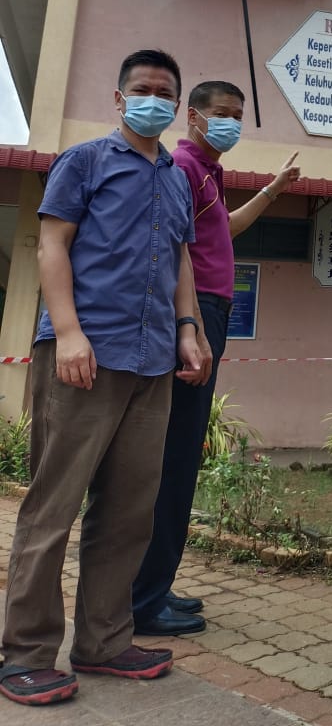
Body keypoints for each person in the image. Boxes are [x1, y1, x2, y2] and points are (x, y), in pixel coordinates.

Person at [0, 50, 207, 708]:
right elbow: (53, 244)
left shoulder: (176, 179)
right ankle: (25, 654)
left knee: (127, 513)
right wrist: (67, 332)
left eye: (164, 92)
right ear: (119, 99)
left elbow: (178, 259)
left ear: (176, 105)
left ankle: (104, 640)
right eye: (141, 89)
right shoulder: (84, 161)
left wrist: (189, 329)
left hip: (152, 361)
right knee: (52, 506)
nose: (153, 99)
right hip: (84, 354)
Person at [133, 81, 301, 635]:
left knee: (182, 454)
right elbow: (174, 247)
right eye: (221, 114)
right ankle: (142, 599)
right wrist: (190, 325)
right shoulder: (181, 165)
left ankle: (155, 586)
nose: (230, 123)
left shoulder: (208, 171)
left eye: (238, 115)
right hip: (195, 311)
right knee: (174, 456)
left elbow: (222, 230)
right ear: (193, 116)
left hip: (209, 310)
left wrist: (275, 188)